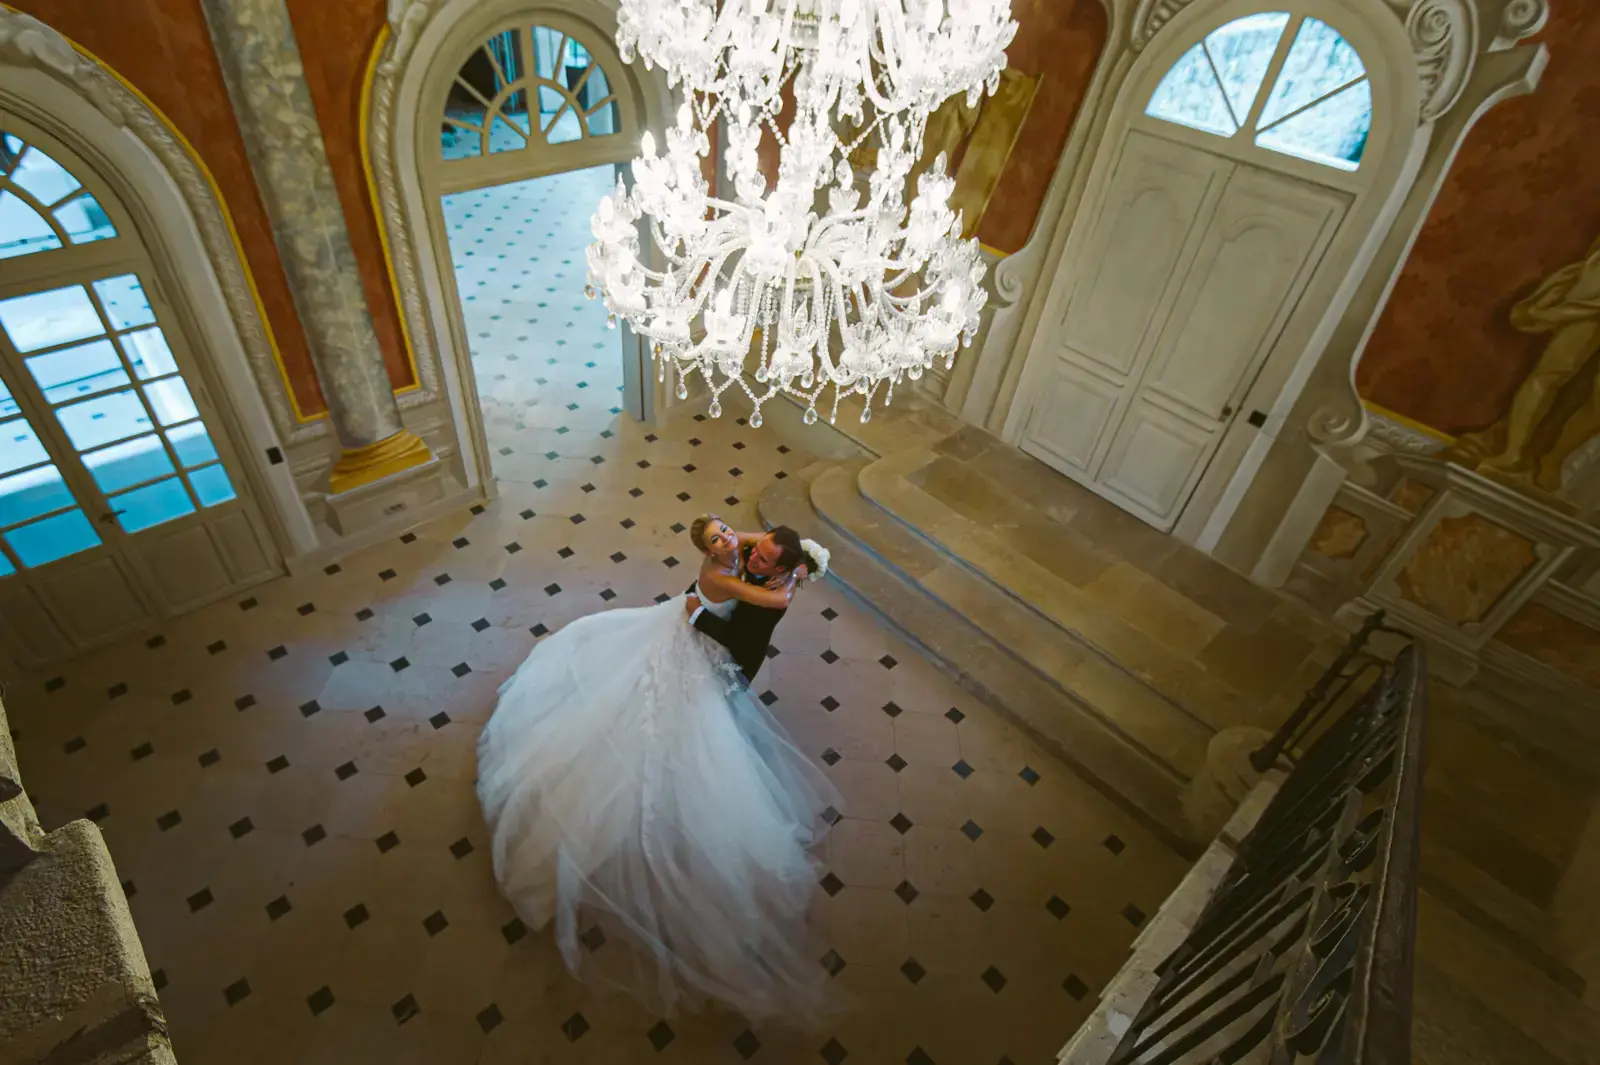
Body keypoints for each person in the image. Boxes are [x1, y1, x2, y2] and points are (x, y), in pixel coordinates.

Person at [474, 514, 841, 1023]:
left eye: (733, 537)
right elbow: (765, 601)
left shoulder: (751, 548)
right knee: (652, 716)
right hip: (692, 634)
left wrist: (796, 565)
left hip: (711, 634)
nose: (739, 548)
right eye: (720, 541)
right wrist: (778, 581)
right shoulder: (720, 574)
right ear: (709, 549)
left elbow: (766, 550)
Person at [683, 522, 815, 684]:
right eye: (756, 548)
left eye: (762, 559)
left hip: (731, 658)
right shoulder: (748, 551)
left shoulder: (771, 602)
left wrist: (698, 614)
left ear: (780, 569)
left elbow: (738, 638)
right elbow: (716, 574)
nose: (752, 557)